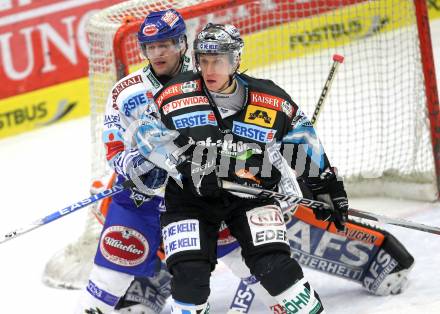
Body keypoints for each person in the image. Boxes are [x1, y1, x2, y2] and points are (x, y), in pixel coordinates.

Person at [74, 9, 190, 314]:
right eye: (150, 47)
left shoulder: (209, 79)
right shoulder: (126, 91)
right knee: (105, 284)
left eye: (164, 45)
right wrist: (137, 168)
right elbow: (114, 150)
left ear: (181, 43)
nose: (157, 53)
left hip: (197, 199)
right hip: (141, 199)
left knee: (250, 264)